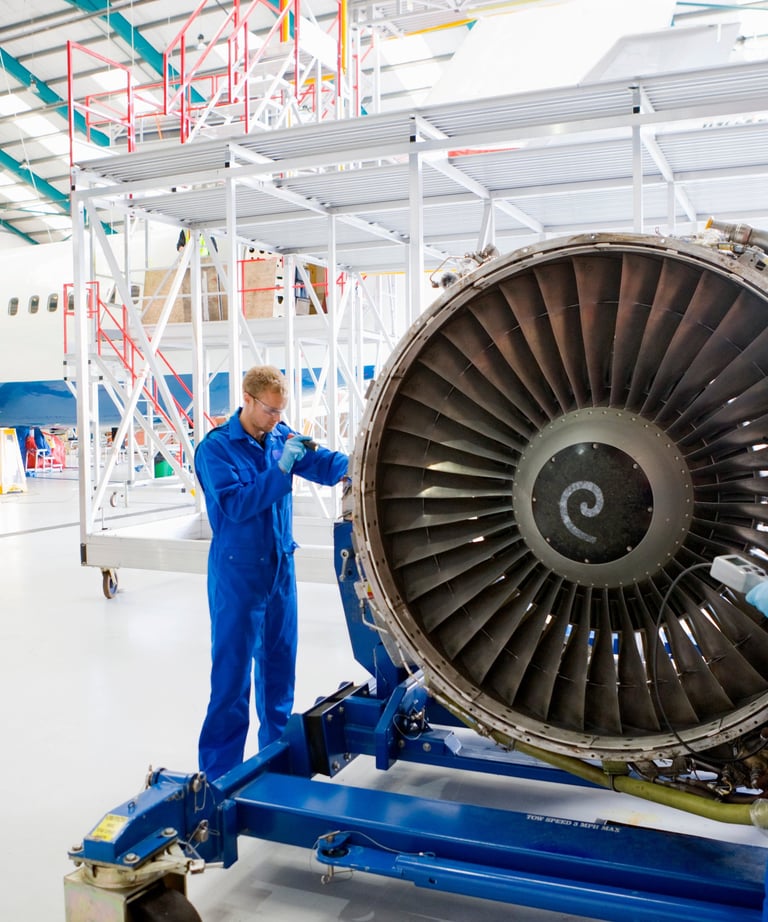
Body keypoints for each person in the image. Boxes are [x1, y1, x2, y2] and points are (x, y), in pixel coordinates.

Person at [193, 365, 348, 780]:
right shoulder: (217, 450)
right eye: (270, 411)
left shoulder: (278, 435)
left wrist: (359, 463)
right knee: (232, 680)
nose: (277, 420)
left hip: (280, 571)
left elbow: (322, 464)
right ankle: (220, 775)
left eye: (281, 411)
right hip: (238, 576)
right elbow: (237, 505)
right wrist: (280, 470)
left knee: (279, 675)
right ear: (247, 399)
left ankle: (276, 764)